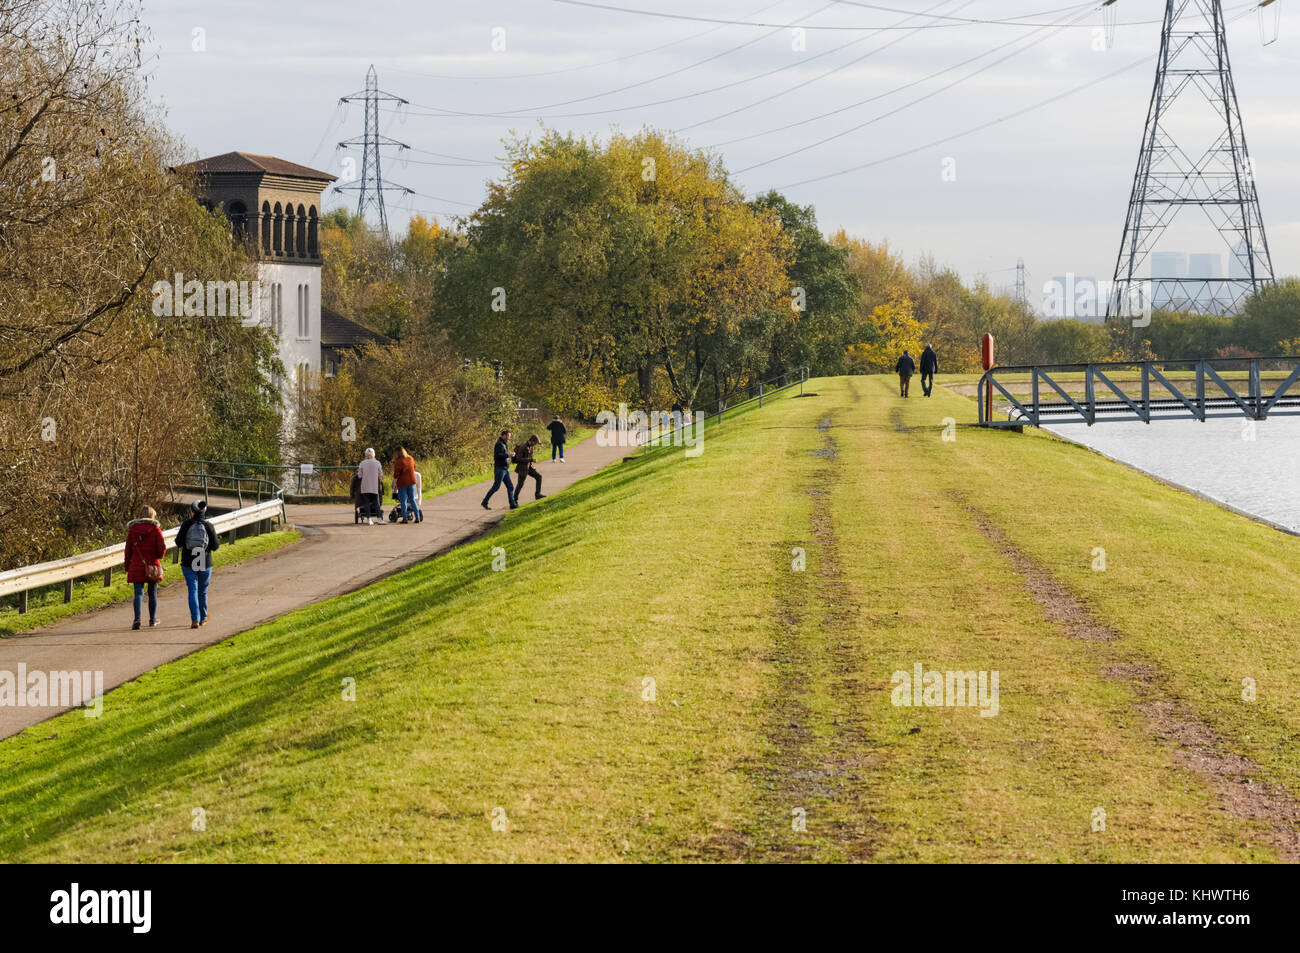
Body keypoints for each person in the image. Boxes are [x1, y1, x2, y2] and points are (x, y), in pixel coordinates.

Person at [176, 499, 220, 629]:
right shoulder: (208, 526)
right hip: (205, 561)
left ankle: (194, 619)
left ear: (191, 511)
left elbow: (178, 542)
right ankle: (203, 617)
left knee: (192, 590)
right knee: (202, 591)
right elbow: (215, 546)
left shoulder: (186, 525)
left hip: (188, 561)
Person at [124, 505, 166, 630]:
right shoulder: (156, 530)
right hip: (152, 565)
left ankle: (137, 619)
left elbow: (128, 550)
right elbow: (162, 549)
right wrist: (158, 556)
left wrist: (128, 566)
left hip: (136, 565)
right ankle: (152, 619)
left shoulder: (132, 530)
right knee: (152, 593)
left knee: (138, 594)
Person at [481, 429, 518, 510]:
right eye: (508, 436)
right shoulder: (499, 444)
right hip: (500, 469)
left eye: (509, 436)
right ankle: (485, 502)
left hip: (505, 469)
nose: (509, 438)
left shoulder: (504, 444)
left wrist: (509, 454)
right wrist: (508, 454)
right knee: (496, 487)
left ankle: (512, 504)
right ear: (503, 435)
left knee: (510, 486)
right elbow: (497, 456)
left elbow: (503, 454)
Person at [514, 434, 545, 501]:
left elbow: (529, 457)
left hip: (529, 467)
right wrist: (530, 460)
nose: (536, 444)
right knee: (520, 484)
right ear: (532, 441)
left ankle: (538, 494)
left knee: (539, 477)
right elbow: (518, 459)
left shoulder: (531, 447)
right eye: (535, 443)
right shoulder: (523, 447)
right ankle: (514, 500)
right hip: (522, 468)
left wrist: (531, 464)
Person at [357, 447, 383, 525]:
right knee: (376, 503)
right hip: (374, 486)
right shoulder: (377, 463)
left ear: (366, 454)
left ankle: (369, 519)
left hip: (365, 486)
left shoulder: (362, 463)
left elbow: (359, 476)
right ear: (374, 454)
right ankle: (379, 519)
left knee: (366, 503)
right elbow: (380, 474)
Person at [392, 446, 418, 524]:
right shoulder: (410, 458)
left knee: (403, 501)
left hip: (403, 483)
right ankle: (417, 517)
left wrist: (394, 488)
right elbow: (414, 467)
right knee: (412, 499)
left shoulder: (398, 461)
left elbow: (396, 475)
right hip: (412, 481)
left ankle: (405, 518)